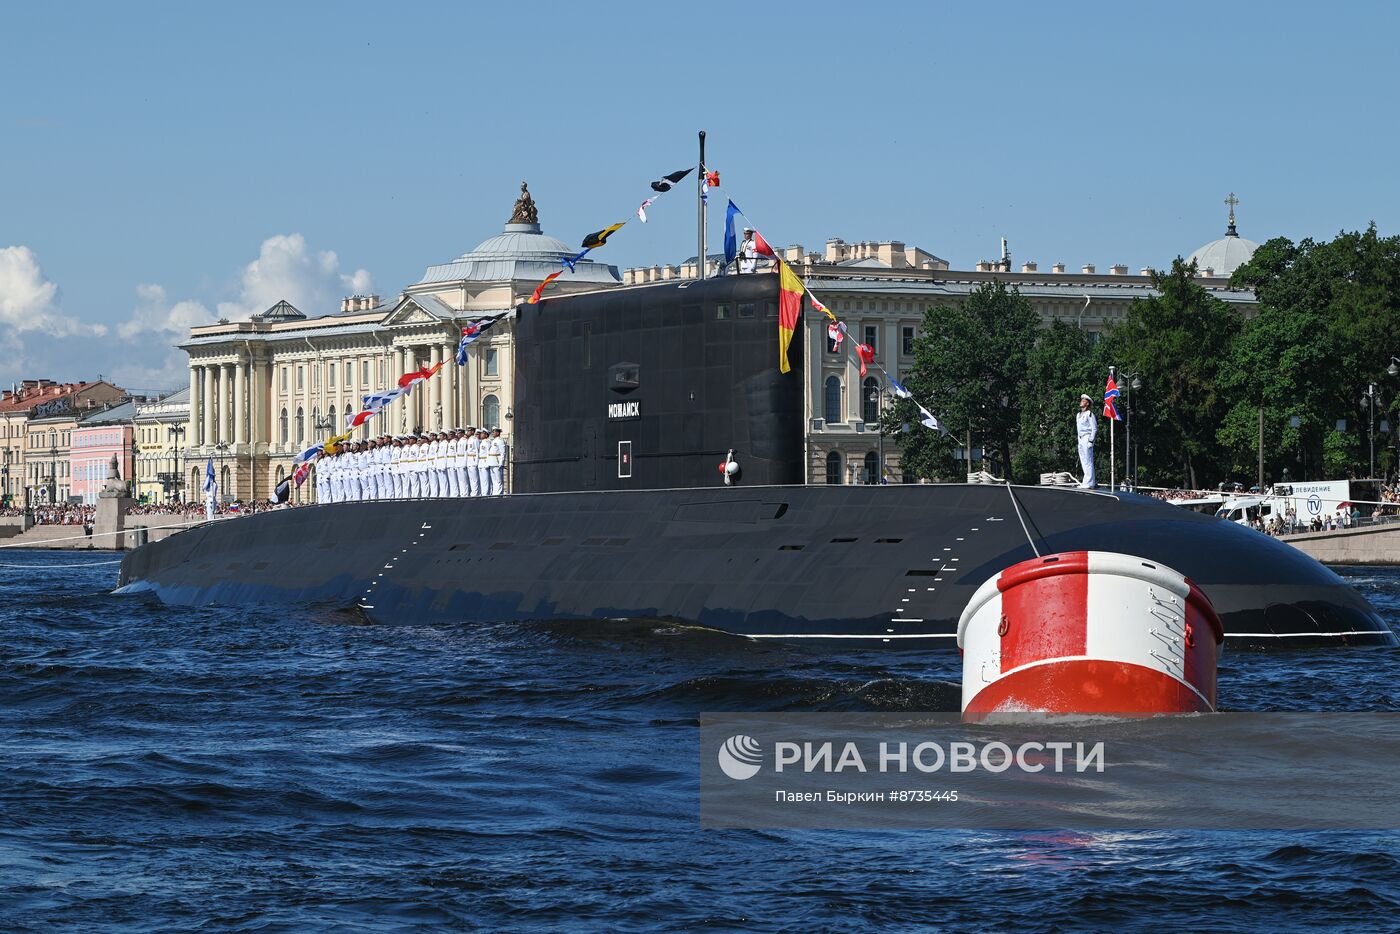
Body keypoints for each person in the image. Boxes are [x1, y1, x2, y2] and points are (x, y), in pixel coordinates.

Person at [1076, 393, 1097, 489]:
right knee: (1083, 461)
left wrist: (1091, 441)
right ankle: (1086, 481)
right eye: (1081, 400)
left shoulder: (1089, 414)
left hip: (1086, 437)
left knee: (1088, 461)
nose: (1081, 402)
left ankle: (1090, 482)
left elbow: (1094, 428)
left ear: (1087, 403)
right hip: (1080, 439)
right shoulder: (1078, 415)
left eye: (1083, 401)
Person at [485, 428, 506, 495]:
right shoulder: (493, 441)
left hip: (497, 462)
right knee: (494, 480)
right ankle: (495, 493)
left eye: (494, 432)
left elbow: (503, 452)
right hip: (492, 462)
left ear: (497, 433)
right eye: (492, 432)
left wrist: (501, 463)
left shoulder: (500, 441)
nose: (492, 433)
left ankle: (499, 494)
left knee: (498, 480)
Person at [465, 427, 481, 497]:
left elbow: (478, 451)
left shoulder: (475, 439)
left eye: (469, 431)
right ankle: (473, 493)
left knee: (475, 479)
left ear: (472, 432)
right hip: (469, 460)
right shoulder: (469, 440)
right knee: (471, 479)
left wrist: (476, 461)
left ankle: (475, 494)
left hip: (473, 460)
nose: (467, 432)